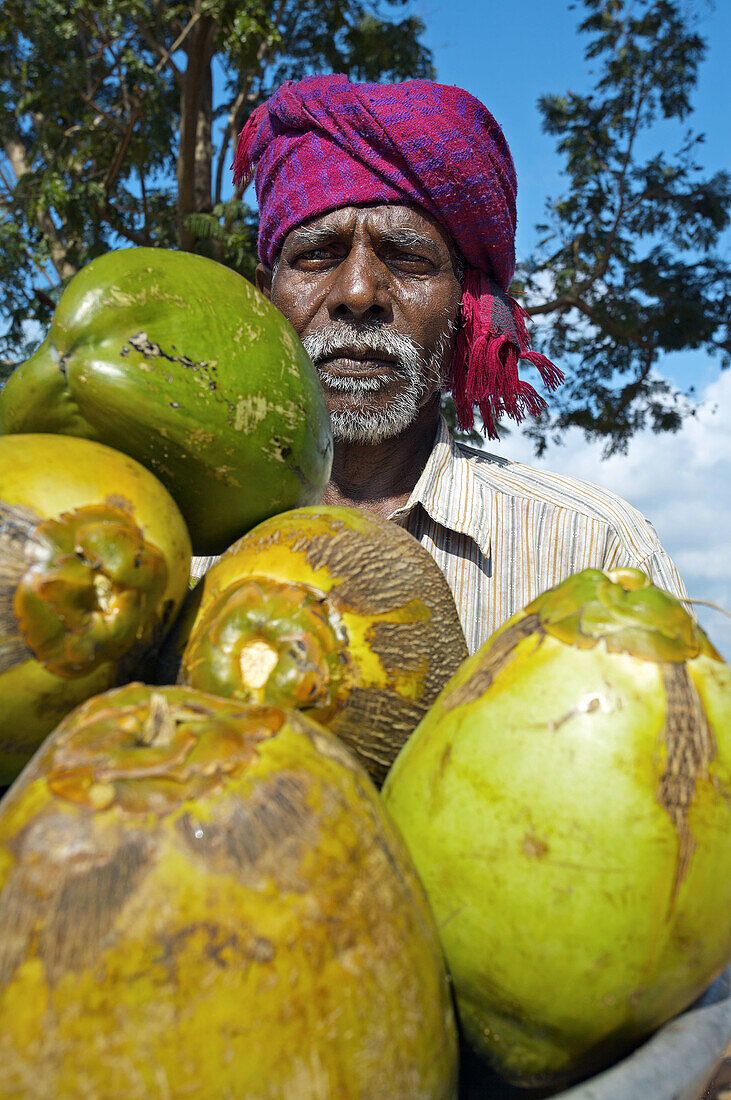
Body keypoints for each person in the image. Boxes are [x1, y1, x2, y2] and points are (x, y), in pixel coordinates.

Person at [191, 74, 687, 654]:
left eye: (407, 258)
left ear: (467, 304)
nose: (357, 292)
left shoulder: (598, 555)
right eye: (317, 255)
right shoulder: (179, 536)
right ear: (265, 297)